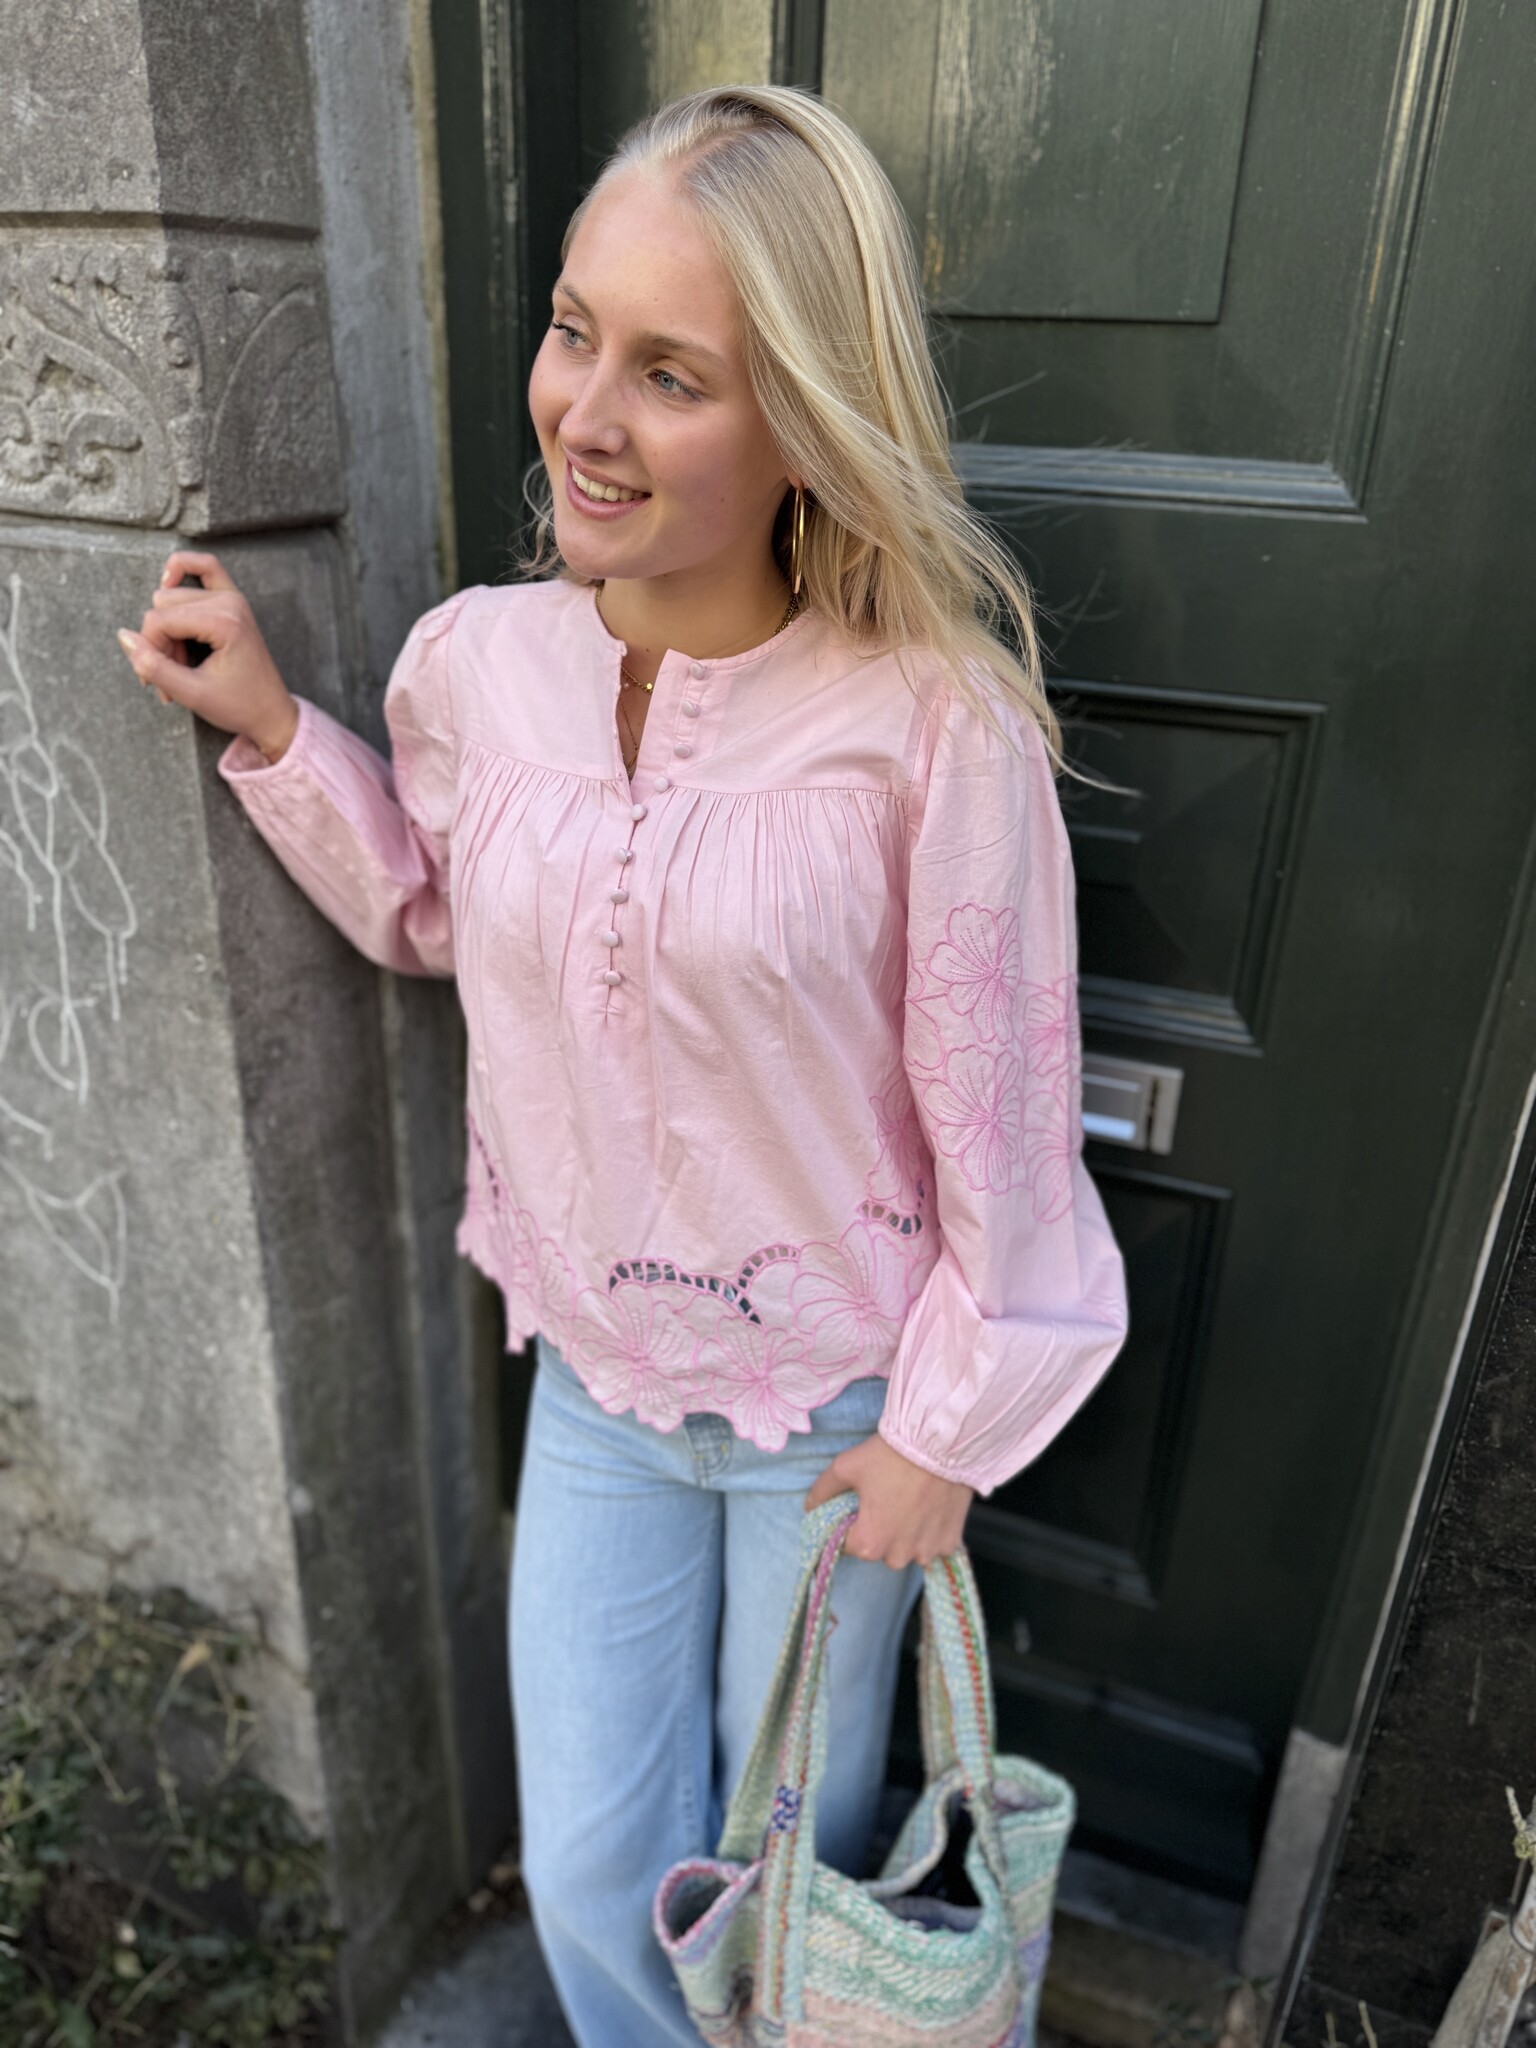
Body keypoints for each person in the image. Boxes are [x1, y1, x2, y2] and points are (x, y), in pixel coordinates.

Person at [116, 83, 1128, 2048]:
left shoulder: (934, 729)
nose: (586, 413)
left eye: (672, 374)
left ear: (804, 420)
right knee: (591, 1866)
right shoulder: (473, 666)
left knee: (780, 1865)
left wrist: (947, 1432)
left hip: (838, 1408)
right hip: (593, 1379)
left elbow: (1006, 1108)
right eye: (576, 332)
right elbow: (438, 914)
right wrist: (279, 736)